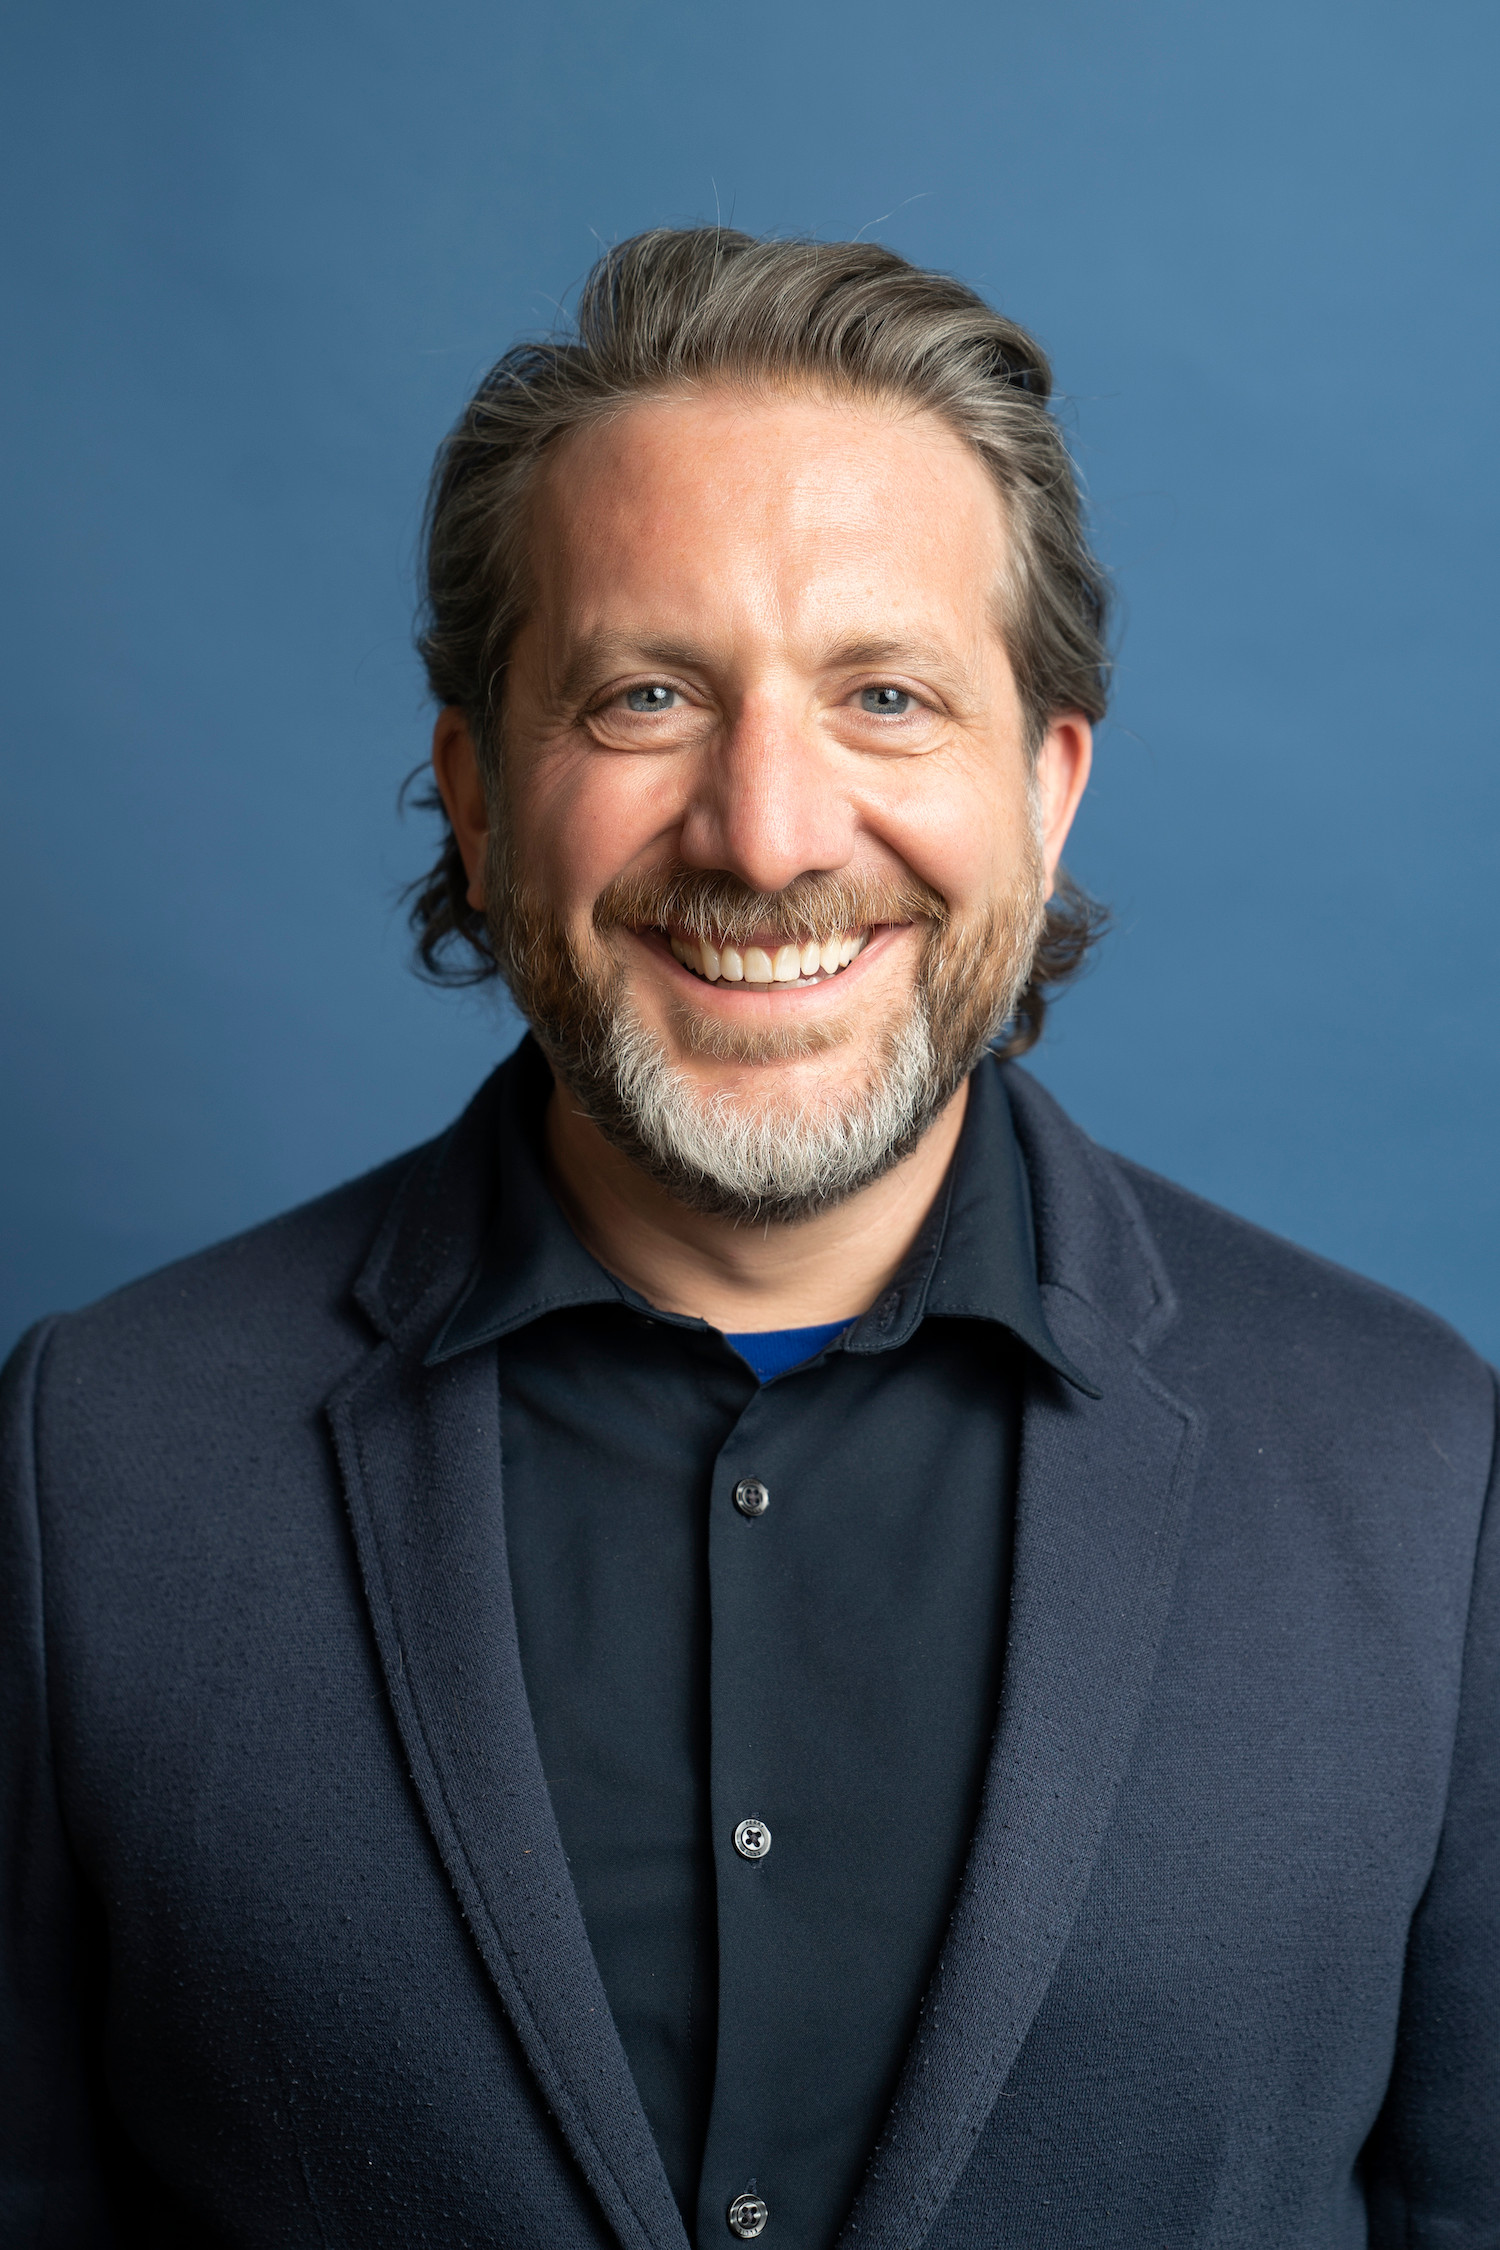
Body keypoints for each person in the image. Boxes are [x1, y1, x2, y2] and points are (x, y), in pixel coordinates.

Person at [2, 227, 1495, 2250]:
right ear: (474, 793)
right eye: (646, 696)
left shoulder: (1425, 1477)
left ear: (1045, 787)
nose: (769, 830)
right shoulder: (93, 1465)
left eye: (885, 694)